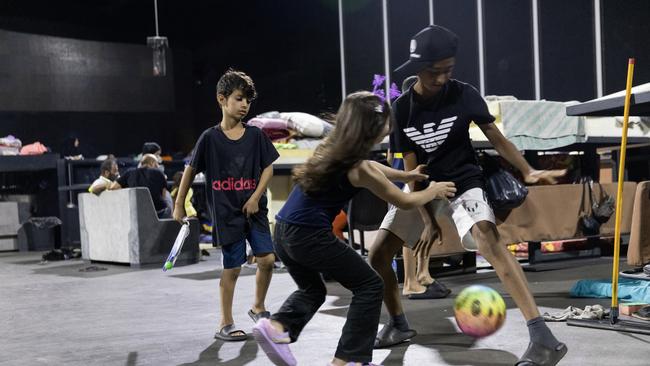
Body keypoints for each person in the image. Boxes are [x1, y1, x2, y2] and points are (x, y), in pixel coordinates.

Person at [368, 25, 567, 366]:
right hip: (425, 183)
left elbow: (495, 135)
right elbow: (414, 170)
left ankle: (543, 337)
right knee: (378, 255)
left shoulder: (464, 94)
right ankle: (398, 325)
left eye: (449, 70)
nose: (443, 78)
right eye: (435, 72)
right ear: (418, 68)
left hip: (464, 180)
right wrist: (426, 219)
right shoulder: (401, 109)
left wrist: (527, 170)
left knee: (488, 240)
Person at [251, 91, 456, 366]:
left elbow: (373, 166)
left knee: (313, 291)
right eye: (385, 124)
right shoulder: (356, 167)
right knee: (370, 285)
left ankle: (276, 328)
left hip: (285, 232)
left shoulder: (334, 148)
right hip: (309, 235)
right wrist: (433, 190)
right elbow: (406, 201)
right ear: (371, 127)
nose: (388, 129)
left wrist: (405, 175)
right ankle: (348, 360)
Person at [173, 69, 279, 342]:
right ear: (222, 99)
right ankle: (225, 322)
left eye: (248, 101)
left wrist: (256, 197)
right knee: (232, 267)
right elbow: (190, 170)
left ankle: (258, 307)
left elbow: (268, 168)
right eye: (239, 98)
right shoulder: (209, 138)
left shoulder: (256, 136)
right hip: (226, 213)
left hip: (255, 211)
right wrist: (178, 205)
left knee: (267, 259)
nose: (245, 104)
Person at [109, 154, 170, 218]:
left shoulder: (129, 172)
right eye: (157, 163)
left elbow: (113, 187)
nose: (158, 166)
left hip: (137, 213)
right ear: (152, 163)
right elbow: (164, 195)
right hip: (159, 212)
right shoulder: (159, 172)